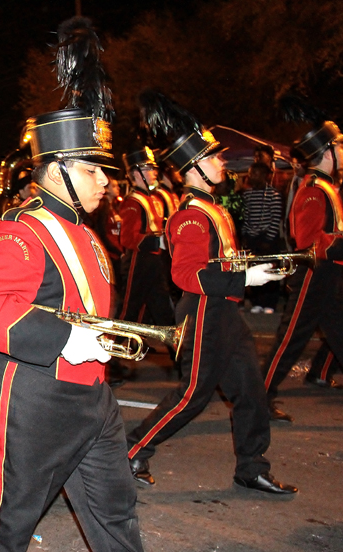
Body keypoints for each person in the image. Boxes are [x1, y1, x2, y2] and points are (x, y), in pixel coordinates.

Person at [0, 19, 166, 552]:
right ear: (57, 171)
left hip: (91, 396)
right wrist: (65, 340)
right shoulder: (22, 232)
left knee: (116, 511)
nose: (107, 182)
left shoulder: (89, 234)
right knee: (11, 522)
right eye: (94, 169)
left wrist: (96, 344)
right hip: (31, 397)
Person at [126, 90, 296, 495]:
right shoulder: (188, 216)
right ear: (195, 168)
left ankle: (251, 466)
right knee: (193, 396)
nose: (222, 162)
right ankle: (132, 449)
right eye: (215, 158)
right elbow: (187, 274)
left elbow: (219, 261)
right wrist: (245, 281)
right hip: (203, 311)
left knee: (251, 392)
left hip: (224, 311)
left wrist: (250, 268)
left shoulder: (212, 208)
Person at [262, 95, 343, 421]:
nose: (342, 152)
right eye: (338, 147)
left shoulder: (327, 186)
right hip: (313, 273)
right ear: (326, 154)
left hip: (330, 275)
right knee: (289, 342)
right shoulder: (313, 189)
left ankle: (315, 374)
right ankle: (259, 397)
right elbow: (309, 242)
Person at [117, 145, 176, 345]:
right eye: (148, 168)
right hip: (138, 260)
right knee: (128, 309)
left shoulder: (151, 198)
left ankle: (179, 358)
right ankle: (111, 359)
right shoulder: (133, 202)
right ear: (135, 173)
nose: (154, 173)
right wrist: (157, 240)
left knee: (162, 309)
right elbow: (128, 238)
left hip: (154, 260)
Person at [241, 161, 285, 313]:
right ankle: (257, 302)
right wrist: (245, 235)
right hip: (253, 237)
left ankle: (270, 303)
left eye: (256, 174)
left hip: (268, 237)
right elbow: (246, 217)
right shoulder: (248, 194)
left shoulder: (274, 194)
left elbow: (275, 219)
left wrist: (268, 239)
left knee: (269, 270)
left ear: (265, 176)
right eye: (251, 173)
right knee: (254, 269)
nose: (252, 176)